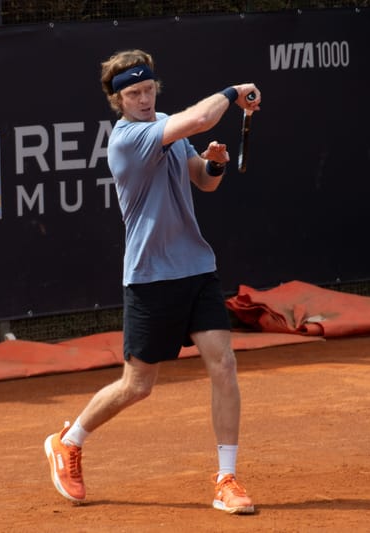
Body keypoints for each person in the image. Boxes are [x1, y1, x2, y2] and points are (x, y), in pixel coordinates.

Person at [44, 49, 261, 515]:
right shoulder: (128, 140)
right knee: (138, 386)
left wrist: (215, 164)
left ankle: (226, 477)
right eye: (133, 94)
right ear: (117, 100)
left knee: (222, 363)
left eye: (148, 90)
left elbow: (202, 181)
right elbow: (202, 117)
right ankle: (69, 440)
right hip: (150, 277)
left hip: (197, 267)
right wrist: (233, 91)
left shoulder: (165, 124)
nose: (143, 99)